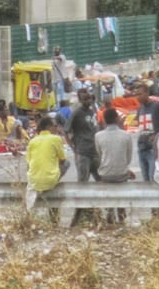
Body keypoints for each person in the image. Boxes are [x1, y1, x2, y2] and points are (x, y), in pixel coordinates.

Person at [65, 88, 100, 226]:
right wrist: (74, 148)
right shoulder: (76, 114)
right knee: (82, 184)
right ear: (80, 100)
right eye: (85, 99)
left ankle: (99, 214)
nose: (88, 101)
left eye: (89, 98)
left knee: (102, 181)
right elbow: (66, 131)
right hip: (83, 153)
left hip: (95, 152)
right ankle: (78, 216)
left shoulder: (93, 112)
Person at [25, 116, 70, 223]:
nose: (56, 128)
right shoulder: (56, 139)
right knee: (67, 163)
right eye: (55, 126)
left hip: (33, 180)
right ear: (49, 127)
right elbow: (63, 160)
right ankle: (54, 180)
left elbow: (28, 163)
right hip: (50, 179)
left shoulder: (33, 141)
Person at [95, 108, 135, 224]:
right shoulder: (126, 136)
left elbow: (100, 154)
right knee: (121, 188)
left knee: (108, 191)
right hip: (121, 174)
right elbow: (128, 158)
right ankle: (121, 216)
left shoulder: (98, 136)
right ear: (117, 119)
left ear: (105, 121)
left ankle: (110, 213)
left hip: (105, 174)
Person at [135, 82, 159, 182]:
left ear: (147, 93)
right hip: (142, 149)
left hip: (153, 150)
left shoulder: (158, 106)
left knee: (153, 178)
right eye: (136, 94)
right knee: (145, 180)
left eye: (140, 94)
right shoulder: (140, 108)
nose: (138, 97)